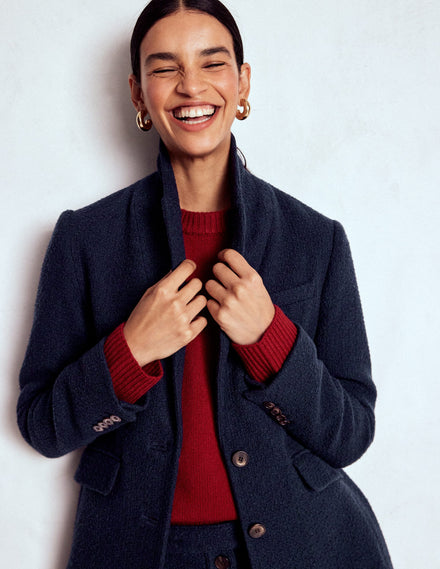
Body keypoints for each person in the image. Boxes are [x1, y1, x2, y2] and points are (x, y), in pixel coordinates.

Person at [17, 1, 394, 568]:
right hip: (139, 551)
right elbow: (43, 425)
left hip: (301, 546)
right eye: (165, 68)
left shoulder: (316, 240)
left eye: (212, 63)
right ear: (138, 94)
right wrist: (129, 351)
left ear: (243, 83)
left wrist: (271, 339)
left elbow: (351, 433)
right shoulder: (84, 239)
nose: (191, 86)